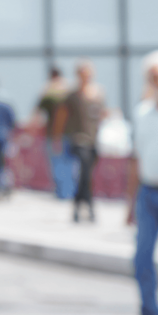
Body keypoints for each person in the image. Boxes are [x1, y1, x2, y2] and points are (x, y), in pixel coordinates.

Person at [125, 50, 158, 315]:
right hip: (148, 193)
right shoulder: (142, 112)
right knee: (142, 259)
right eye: (156, 77)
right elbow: (136, 158)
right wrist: (129, 204)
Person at [53, 60, 107, 223]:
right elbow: (60, 118)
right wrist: (57, 139)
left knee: (87, 174)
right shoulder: (72, 95)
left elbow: (101, 115)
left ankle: (78, 206)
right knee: (83, 171)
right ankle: (88, 207)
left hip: (93, 139)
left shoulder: (98, 93)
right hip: (77, 138)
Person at [37, 67, 74, 199]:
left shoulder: (49, 90)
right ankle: (69, 192)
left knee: (57, 164)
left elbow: (38, 112)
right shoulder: (70, 89)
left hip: (54, 134)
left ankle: (63, 193)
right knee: (69, 165)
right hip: (71, 134)